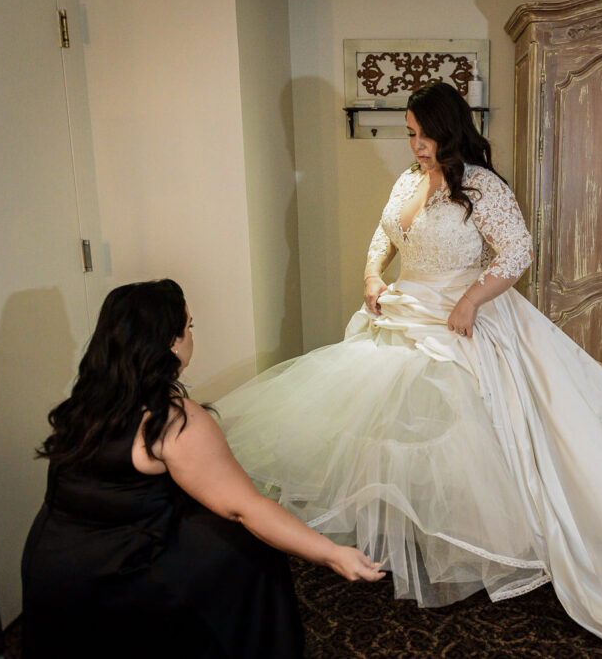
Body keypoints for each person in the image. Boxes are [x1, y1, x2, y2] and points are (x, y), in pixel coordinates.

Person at [216, 82, 602, 658]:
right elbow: (383, 235)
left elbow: (516, 253)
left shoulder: (481, 186)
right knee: (399, 429)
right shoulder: (409, 181)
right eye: (409, 135)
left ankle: (494, 541)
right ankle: (414, 538)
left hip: (466, 319)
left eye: (422, 135)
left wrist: (470, 301)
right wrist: (371, 275)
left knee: (483, 429)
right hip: (407, 314)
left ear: (448, 130)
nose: (414, 145)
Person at [21, 279, 383, 659]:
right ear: (171, 342)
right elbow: (247, 507)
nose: (192, 336)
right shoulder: (169, 420)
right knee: (250, 547)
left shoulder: (82, 405)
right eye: (189, 326)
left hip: (49, 568)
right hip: (116, 580)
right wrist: (331, 553)